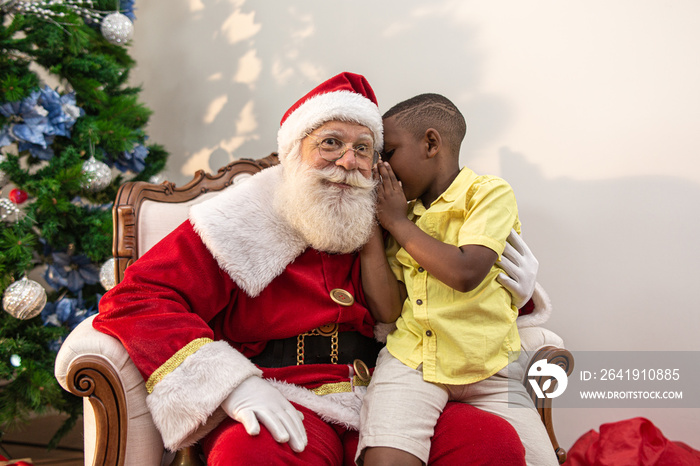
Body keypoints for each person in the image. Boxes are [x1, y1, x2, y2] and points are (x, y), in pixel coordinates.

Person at [92, 73, 540, 465]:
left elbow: (449, 298)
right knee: (250, 455)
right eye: (331, 142)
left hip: (397, 390)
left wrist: (518, 294)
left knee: (490, 443)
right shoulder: (237, 219)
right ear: (294, 152)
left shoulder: (395, 214)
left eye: (363, 149)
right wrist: (232, 387)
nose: (348, 161)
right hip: (286, 394)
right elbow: (136, 298)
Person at [356, 93, 558, 466]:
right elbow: (388, 310)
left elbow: (466, 273)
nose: (383, 166)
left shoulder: (488, 192)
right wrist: (375, 227)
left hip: (492, 368)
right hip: (412, 362)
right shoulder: (401, 211)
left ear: (431, 144)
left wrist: (397, 223)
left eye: (391, 152)